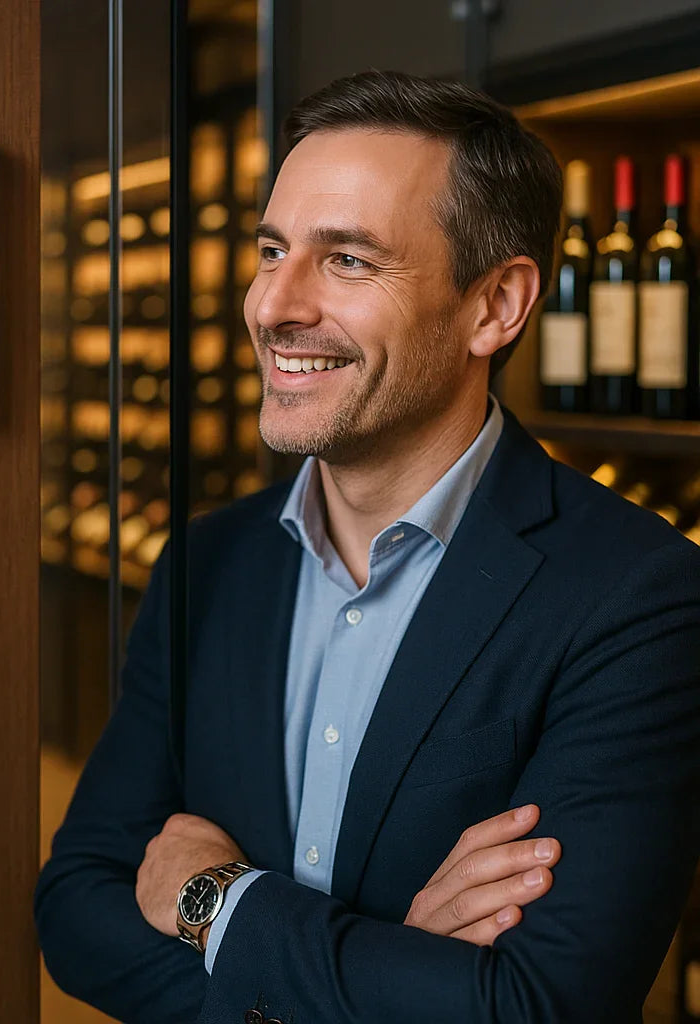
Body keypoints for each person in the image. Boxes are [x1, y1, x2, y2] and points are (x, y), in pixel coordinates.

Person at [35, 70, 700, 1022]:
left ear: (495, 307)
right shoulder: (209, 564)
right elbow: (76, 908)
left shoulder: (635, 595)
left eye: (346, 260)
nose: (272, 306)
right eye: (273, 250)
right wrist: (386, 970)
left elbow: (536, 1007)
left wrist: (213, 900)